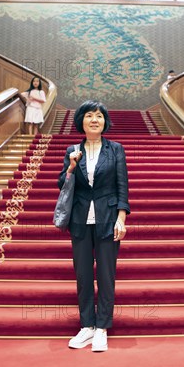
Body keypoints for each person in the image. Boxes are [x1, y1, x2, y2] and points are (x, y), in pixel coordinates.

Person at [58, 100, 130, 352]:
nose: (94, 120)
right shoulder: (71, 150)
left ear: (104, 122)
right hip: (79, 219)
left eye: (99, 116)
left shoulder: (116, 149)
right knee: (83, 275)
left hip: (108, 218)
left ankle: (102, 328)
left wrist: (121, 218)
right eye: (89, 116)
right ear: (82, 121)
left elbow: (122, 186)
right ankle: (87, 325)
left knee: (106, 275)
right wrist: (71, 165)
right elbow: (62, 184)